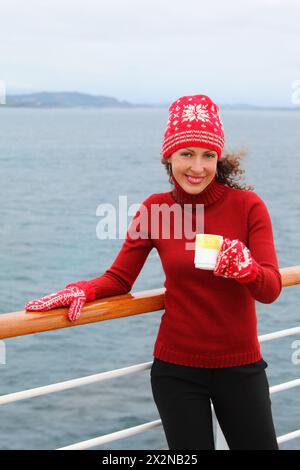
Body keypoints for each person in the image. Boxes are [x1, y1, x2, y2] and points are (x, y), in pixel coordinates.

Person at [25, 94, 282, 450]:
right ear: (169, 157)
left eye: (208, 155)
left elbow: (270, 289)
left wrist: (247, 268)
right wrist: (82, 290)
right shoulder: (155, 209)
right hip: (177, 371)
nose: (198, 167)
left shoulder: (248, 206)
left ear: (218, 159)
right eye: (186, 154)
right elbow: (119, 279)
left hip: (241, 369)